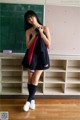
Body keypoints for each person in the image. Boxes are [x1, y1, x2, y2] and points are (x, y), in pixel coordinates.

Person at [22, 10, 51, 112]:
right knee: (30, 79)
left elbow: (49, 44)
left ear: (35, 16)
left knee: (35, 79)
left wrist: (41, 33)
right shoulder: (28, 31)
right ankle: (32, 100)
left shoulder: (45, 28)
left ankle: (28, 101)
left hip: (42, 57)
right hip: (31, 57)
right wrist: (34, 35)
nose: (31, 20)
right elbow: (28, 46)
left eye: (31, 17)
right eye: (28, 19)